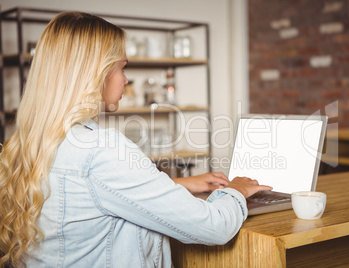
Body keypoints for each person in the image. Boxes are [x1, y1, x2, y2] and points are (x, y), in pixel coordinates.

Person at [0, 12, 272, 267]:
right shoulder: (102, 150)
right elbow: (214, 226)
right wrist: (236, 190)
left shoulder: (30, 140)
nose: (126, 80)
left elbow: (89, 194)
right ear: (95, 74)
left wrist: (177, 184)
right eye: (121, 67)